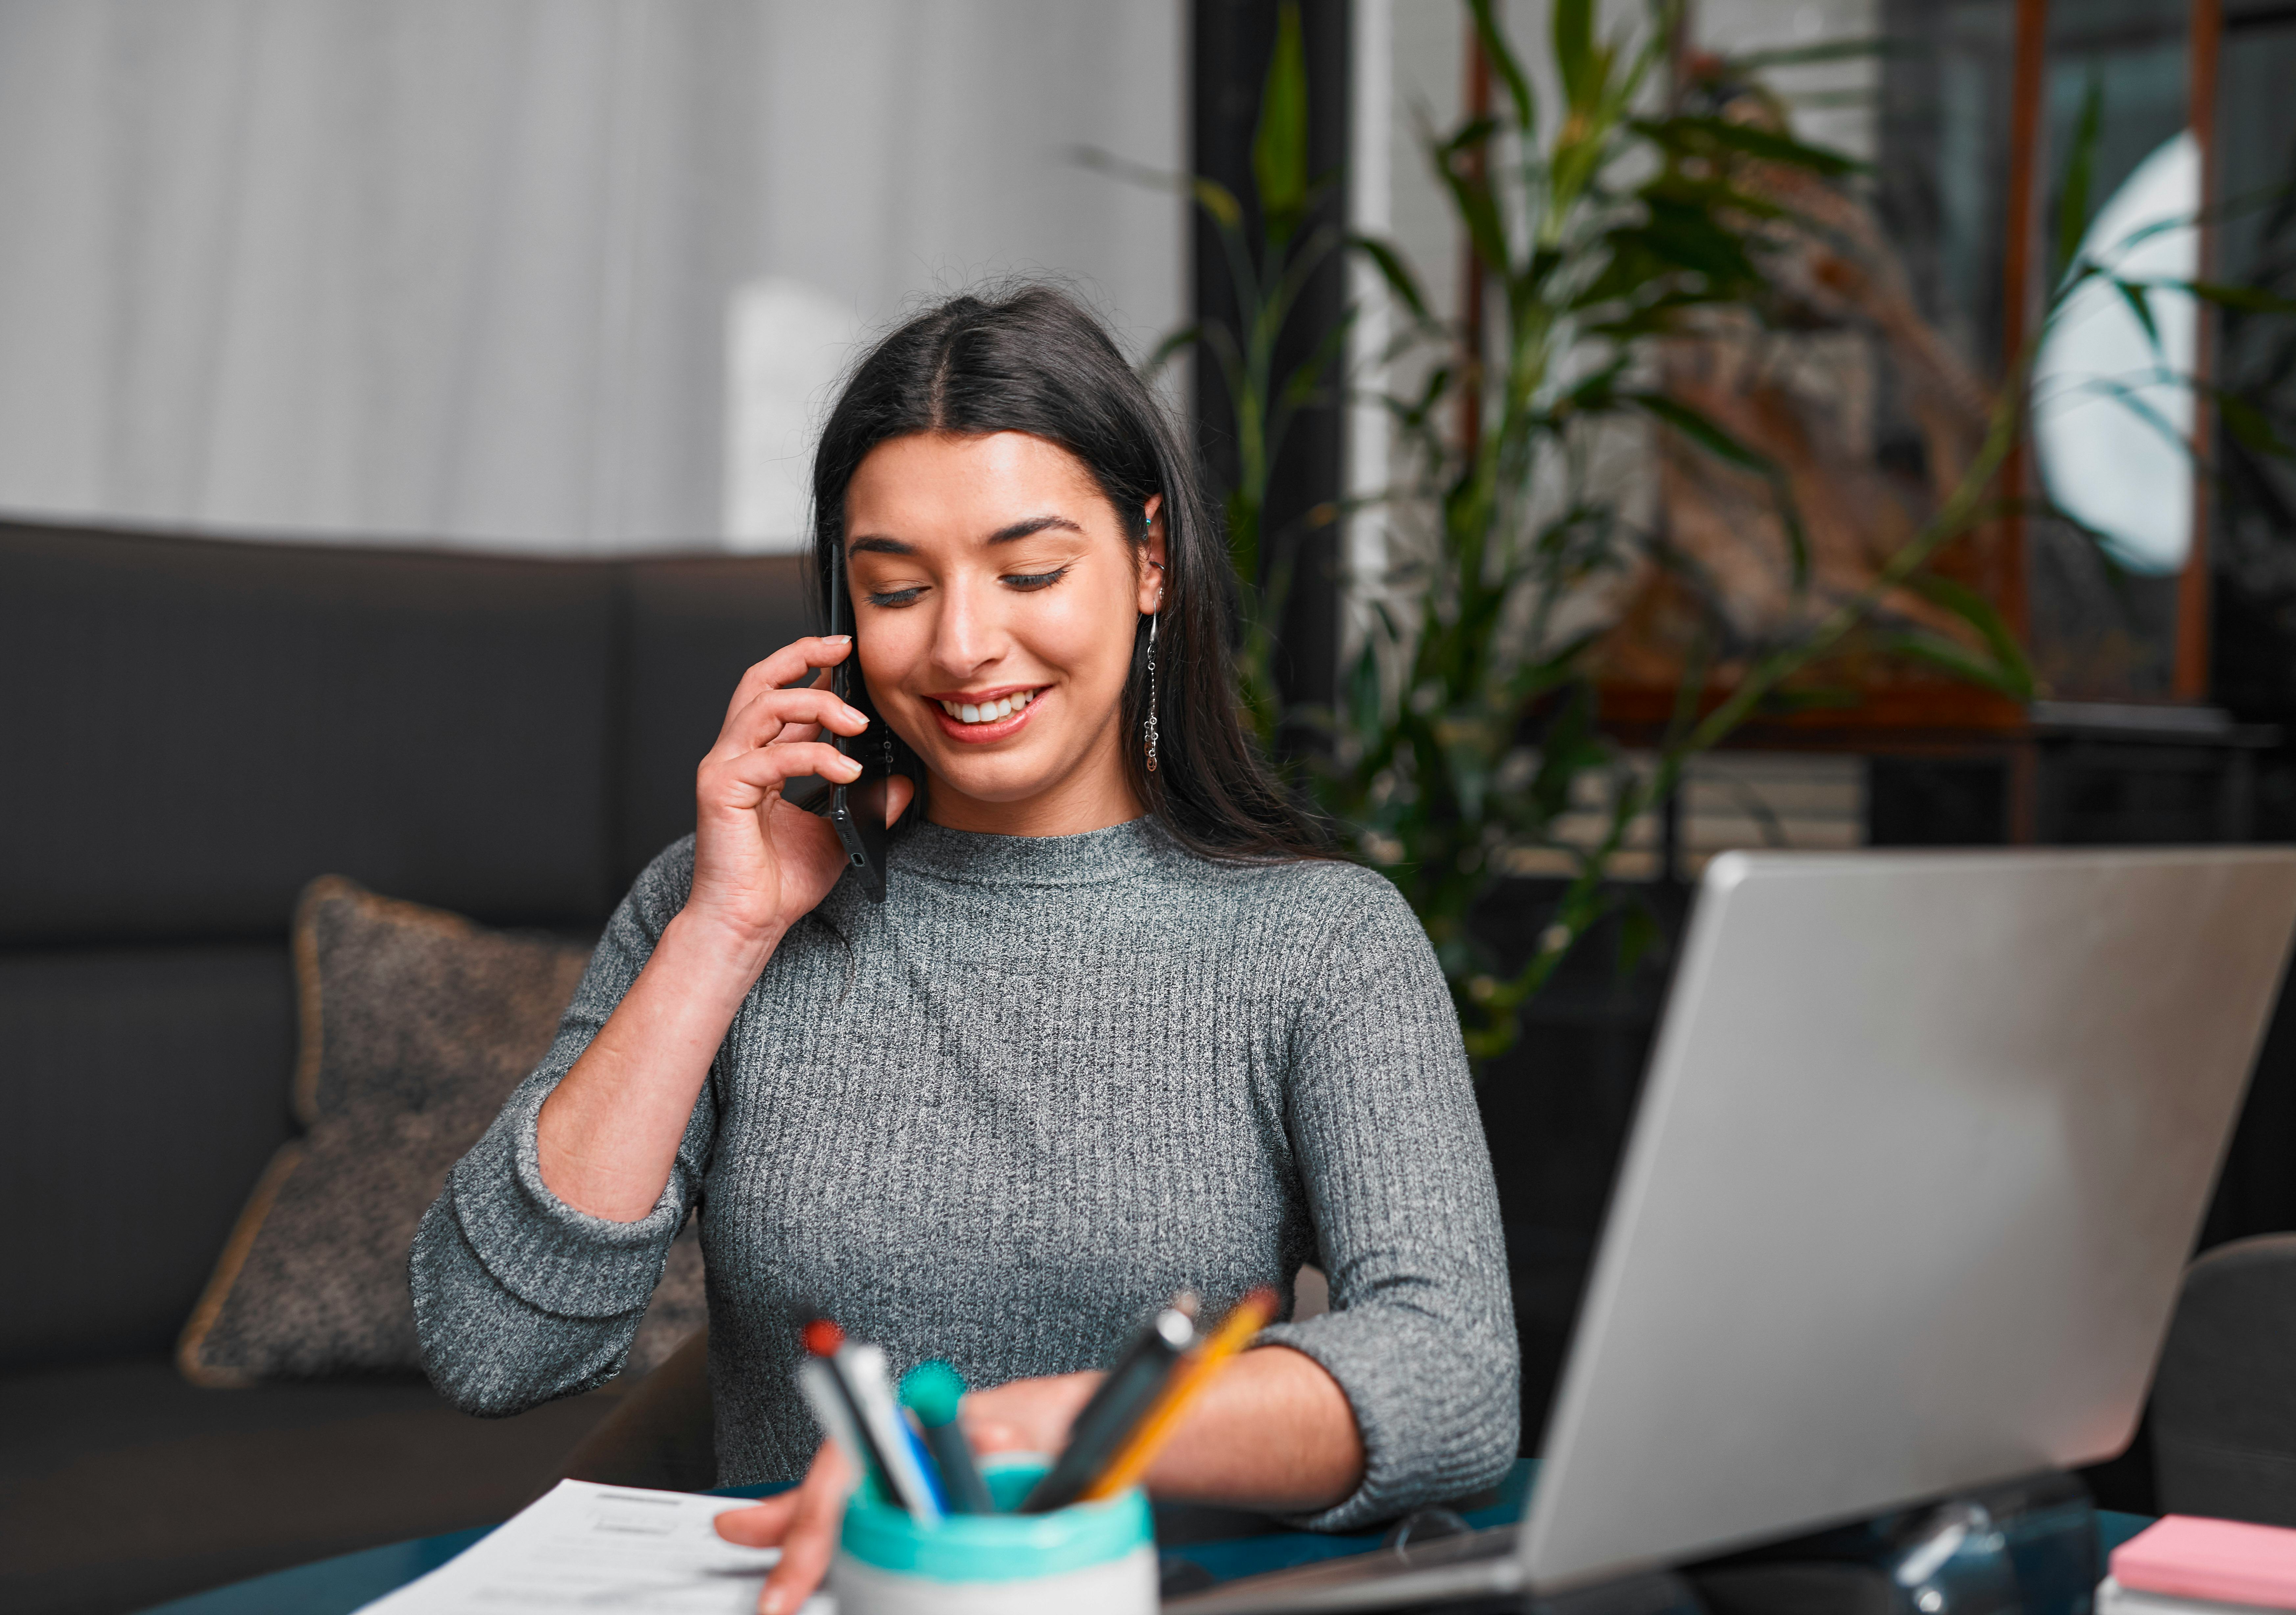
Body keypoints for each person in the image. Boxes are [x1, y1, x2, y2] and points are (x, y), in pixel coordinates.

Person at [412, 284, 1517, 1615]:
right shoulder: (726, 902)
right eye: (895, 588)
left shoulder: (1319, 939)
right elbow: (489, 1345)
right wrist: (724, 931)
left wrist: (1022, 1431)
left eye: (1031, 570)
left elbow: (1452, 1374)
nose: (961, 645)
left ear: (1149, 559)